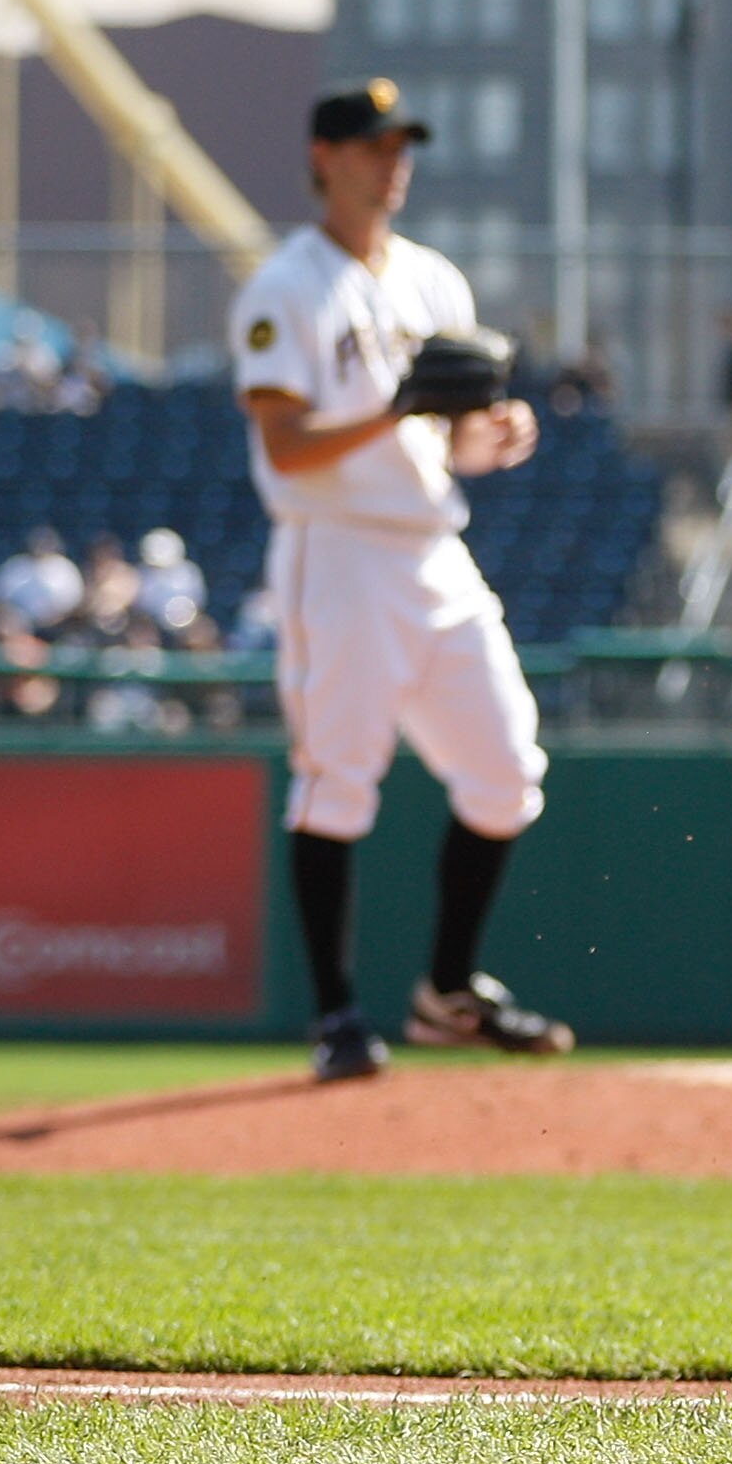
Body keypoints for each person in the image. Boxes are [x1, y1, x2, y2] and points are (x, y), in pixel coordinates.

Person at [231, 79, 574, 1085]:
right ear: (324, 156)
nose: (395, 163)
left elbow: (454, 433)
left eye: (402, 146)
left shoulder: (434, 281)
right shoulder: (284, 287)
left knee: (509, 774)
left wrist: (492, 436)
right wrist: (395, 409)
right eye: (375, 146)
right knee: (336, 784)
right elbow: (287, 446)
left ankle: (446, 992)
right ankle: (339, 1015)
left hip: (433, 548)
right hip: (331, 549)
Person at [0, 526, 84, 636]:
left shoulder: (65, 568)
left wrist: (54, 618)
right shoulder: (16, 566)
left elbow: (75, 605)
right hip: (19, 628)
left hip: (58, 627)